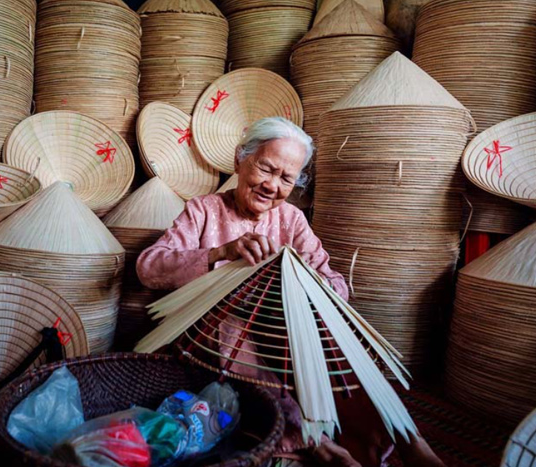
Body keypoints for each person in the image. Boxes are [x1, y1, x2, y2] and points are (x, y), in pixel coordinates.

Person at [136, 117, 444, 467]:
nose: (272, 185)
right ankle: (314, 444)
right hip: (216, 334)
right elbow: (149, 266)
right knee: (236, 334)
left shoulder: (292, 220)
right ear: (241, 159)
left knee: (338, 342)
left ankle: (402, 435)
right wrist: (221, 253)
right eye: (266, 168)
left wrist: (308, 282)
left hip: (285, 331)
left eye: (286, 178)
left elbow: (336, 285)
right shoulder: (204, 210)